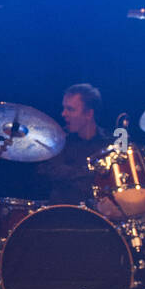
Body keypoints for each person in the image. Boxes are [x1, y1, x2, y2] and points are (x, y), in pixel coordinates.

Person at [36, 83, 116, 213]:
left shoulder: (110, 144)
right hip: (63, 219)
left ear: (89, 114)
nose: (63, 114)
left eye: (70, 109)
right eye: (64, 108)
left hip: (103, 220)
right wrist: (92, 173)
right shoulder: (58, 141)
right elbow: (49, 171)